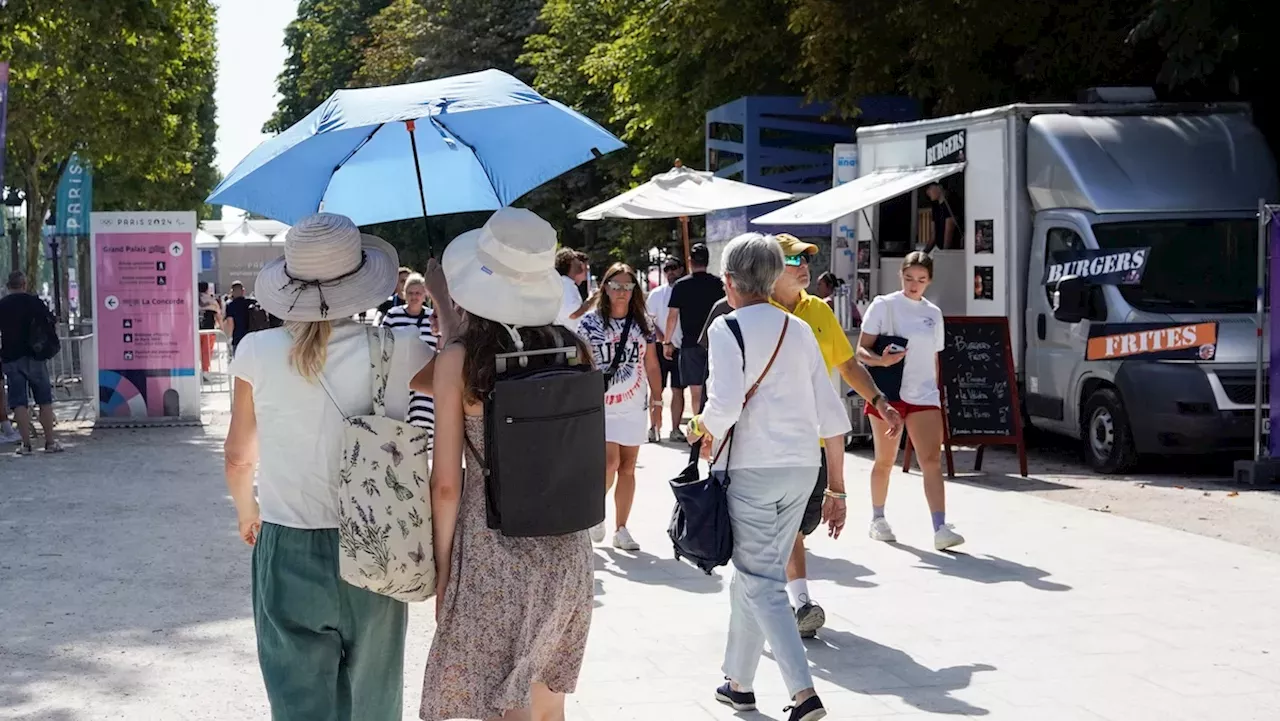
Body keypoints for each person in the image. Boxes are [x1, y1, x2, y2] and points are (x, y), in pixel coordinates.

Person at [223, 213, 431, 721]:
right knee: (375, 696)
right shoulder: (400, 347)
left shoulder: (257, 351)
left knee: (297, 699)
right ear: (361, 282)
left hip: (288, 539)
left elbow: (237, 455)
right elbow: (458, 392)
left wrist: (246, 511)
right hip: (378, 542)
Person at [421, 207, 593, 721]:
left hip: (491, 547)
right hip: (566, 547)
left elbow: (446, 485)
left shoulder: (460, 360)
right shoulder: (574, 348)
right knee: (545, 707)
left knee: (497, 706)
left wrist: (444, 569)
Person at [686, 233, 850, 721]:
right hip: (803, 467)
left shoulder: (726, 327)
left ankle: (804, 694)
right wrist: (838, 486)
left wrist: (694, 426)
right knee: (755, 576)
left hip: (752, 467)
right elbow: (832, 412)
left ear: (730, 282)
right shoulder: (800, 328)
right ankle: (738, 681)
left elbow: (724, 405)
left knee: (761, 581)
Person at [769, 234, 903, 639]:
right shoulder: (752, 310)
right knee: (785, 527)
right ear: (772, 268)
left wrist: (880, 401)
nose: (804, 264)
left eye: (806, 257)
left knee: (797, 527)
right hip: (766, 446)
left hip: (813, 444)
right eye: (793, 258)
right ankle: (799, 602)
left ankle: (774, 597)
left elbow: (847, 365)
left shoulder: (818, 311)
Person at [858, 251, 964, 551]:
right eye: (908, 278)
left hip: (924, 393)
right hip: (888, 392)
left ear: (929, 281)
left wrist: (937, 392)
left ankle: (940, 527)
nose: (913, 285)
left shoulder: (934, 313)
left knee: (931, 460)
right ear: (900, 276)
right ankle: (877, 518)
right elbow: (861, 352)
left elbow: (935, 357)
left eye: (920, 280)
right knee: (885, 459)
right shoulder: (884, 305)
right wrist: (882, 360)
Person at [579, 263, 662, 551]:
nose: (622, 292)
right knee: (609, 463)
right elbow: (580, 364)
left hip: (633, 403)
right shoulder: (589, 323)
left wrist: (658, 399)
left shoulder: (644, 324)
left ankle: (622, 528)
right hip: (600, 405)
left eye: (628, 286)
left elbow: (651, 363)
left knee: (628, 467)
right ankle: (593, 511)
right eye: (616, 285)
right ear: (605, 287)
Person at [0, 272, 62, 455]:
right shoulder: (35, 302)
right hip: (35, 356)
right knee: (44, 399)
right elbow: (51, 322)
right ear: (24, 284)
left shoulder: (2, 305)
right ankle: (50, 442)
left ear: (8, 285)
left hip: (11, 358)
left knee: (19, 402)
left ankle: (26, 445)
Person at [664, 243, 724, 415]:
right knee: (714, 388)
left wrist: (667, 342)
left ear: (690, 261)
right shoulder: (718, 284)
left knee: (696, 392)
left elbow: (672, 317)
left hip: (690, 344)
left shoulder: (681, 286)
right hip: (715, 342)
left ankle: (698, 434)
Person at [382, 273, 439, 445]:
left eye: (418, 293)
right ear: (405, 294)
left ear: (425, 295)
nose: (415, 297)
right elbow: (382, 342)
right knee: (398, 424)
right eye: (411, 293)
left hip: (425, 379)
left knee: (423, 425)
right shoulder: (393, 315)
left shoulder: (432, 319)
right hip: (398, 378)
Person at [645, 256, 688, 442]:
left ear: (681, 269)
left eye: (674, 268)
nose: (670, 272)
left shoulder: (687, 291)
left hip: (681, 347)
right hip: (659, 348)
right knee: (656, 390)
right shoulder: (657, 294)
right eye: (667, 268)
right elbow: (650, 321)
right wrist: (664, 341)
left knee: (678, 390)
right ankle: (654, 427)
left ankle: (676, 429)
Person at [555, 248, 593, 333]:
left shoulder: (567, 284)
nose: (581, 264)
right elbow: (573, 314)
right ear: (570, 262)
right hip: (568, 339)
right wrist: (592, 300)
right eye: (576, 260)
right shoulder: (565, 284)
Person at [221, 281, 253, 358]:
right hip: (252, 337)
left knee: (238, 362)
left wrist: (229, 338)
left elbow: (231, 324)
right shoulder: (251, 302)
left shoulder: (230, 305)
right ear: (243, 291)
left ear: (232, 292)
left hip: (238, 338)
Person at [924, 183, 960, 252]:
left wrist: (944, 254)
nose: (927, 192)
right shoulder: (935, 207)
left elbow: (949, 233)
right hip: (941, 250)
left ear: (939, 187)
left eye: (930, 188)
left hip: (953, 252)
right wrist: (923, 254)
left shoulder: (951, 204)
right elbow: (933, 235)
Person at [198, 281, 223, 375]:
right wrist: (222, 328)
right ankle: (205, 370)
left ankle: (196, 371)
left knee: (197, 351)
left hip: (195, 330)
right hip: (209, 330)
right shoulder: (211, 301)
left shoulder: (193, 299)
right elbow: (218, 316)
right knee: (207, 351)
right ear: (207, 289)